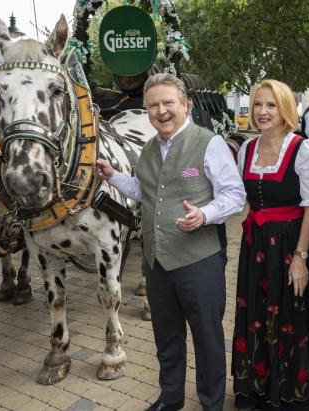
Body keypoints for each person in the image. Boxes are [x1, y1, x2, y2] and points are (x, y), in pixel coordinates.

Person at [95, 73, 246, 411]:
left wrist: (205, 214)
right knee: (167, 338)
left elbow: (235, 195)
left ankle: (210, 403)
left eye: (168, 103)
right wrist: (113, 176)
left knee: (207, 339)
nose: (161, 111)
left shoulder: (208, 143)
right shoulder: (149, 148)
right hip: (158, 262)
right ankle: (171, 397)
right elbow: (143, 190)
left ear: (186, 105)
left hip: (200, 261)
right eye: (153, 105)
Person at [232, 79, 309, 410]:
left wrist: (300, 256)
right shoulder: (247, 148)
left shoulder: (304, 149)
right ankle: (256, 389)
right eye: (258, 104)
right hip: (255, 243)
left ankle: (290, 395)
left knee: (289, 315)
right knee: (255, 313)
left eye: (271, 105)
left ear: (286, 108)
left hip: (289, 243)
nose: (262, 111)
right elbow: (239, 198)